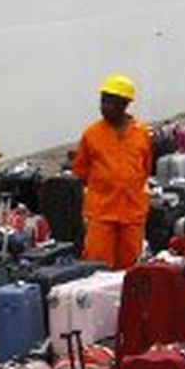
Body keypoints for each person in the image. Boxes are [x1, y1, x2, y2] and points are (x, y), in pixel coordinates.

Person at [73, 73, 152, 271]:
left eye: (110, 102)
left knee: (131, 269)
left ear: (125, 104)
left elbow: (145, 169)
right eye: (103, 101)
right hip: (101, 214)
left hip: (132, 212)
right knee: (97, 268)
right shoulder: (91, 134)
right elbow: (80, 171)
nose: (104, 107)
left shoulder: (141, 133)